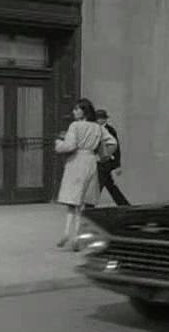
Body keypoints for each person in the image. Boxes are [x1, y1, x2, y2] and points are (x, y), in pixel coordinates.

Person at [55, 98, 117, 250]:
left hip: (76, 162)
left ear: (84, 111)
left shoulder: (75, 126)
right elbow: (113, 142)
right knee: (82, 203)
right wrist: (104, 155)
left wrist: (58, 144)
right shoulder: (98, 127)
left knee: (72, 201)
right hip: (90, 162)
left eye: (77, 109)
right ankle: (77, 236)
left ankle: (66, 233)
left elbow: (70, 145)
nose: (74, 112)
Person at [96, 109, 130, 206]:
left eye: (101, 118)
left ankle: (88, 207)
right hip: (99, 161)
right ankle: (124, 205)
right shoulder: (94, 129)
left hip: (106, 162)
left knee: (98, 185)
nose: (99, 120)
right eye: (98, 118)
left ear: (104, 120)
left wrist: (117, 165)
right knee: (110, 185)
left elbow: (116, 148)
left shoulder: (110, 130)